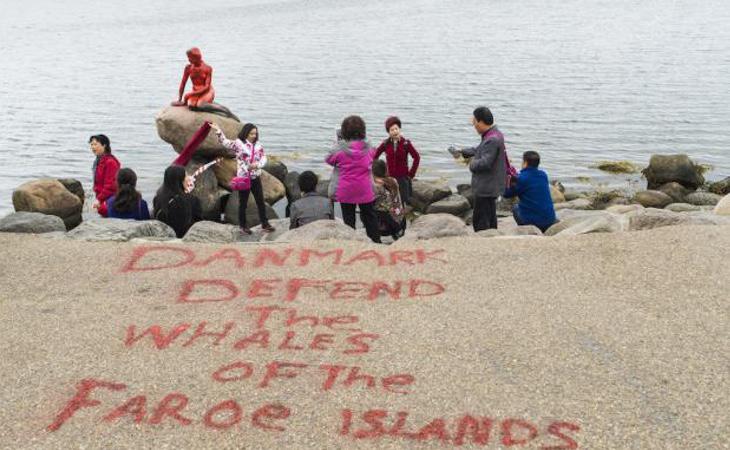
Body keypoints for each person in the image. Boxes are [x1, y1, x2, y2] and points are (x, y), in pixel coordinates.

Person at [210, 122, 275, 235]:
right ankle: (243, 226)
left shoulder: (258, 145)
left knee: (260, 201)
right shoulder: (238, 144)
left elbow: (264, 158)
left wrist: (258, 165)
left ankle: (265, 224)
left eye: (255, 133)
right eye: (251, 134)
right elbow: (225, 143)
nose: (254, 136)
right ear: (246, 133)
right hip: (243, 178)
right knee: (243, 203)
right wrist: (218, 130)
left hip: (255, 177)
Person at [325, 115, 381, 243]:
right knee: (370, 217)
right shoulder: (369, 148)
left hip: (346, 191)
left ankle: (351, 244)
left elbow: (328, 159)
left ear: (344, 132)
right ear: (363, 131)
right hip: (365, 190)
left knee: (348, 219)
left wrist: (339, 143)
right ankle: (376, 242)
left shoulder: (340, 150)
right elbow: (375, 155)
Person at [451, 107, 506, 231]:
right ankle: (492, 239)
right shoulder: (494, 134)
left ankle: (483, 243)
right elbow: (479, 149)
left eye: (474, 121)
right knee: (490, 216)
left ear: (481, 122)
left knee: (481, 220)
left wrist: (470, 163)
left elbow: (485, 163)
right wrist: (463, 152)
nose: (473, 125)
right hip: (490, 186)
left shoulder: (491, 139)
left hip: (486, 187)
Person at [503, 151, 557, 232]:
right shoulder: (543, 175)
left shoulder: (521, 178)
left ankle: (526, 230)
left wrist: (507, 179)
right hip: (550, 220)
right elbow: (528, 180)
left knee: (516, 208)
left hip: (533, 222)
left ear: (525, 163)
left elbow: (506, 194)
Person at [374, 116, 420, 207]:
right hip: (389, 178)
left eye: (396, 129)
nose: (395, 131)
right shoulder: (385, 144)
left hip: (403, 178)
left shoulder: (406, 143)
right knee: (391, 202)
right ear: (388, 132)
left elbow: (416, 157)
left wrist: (411, 174)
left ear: (399, 129)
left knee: (402, 202)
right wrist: (377, 175)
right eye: (392, 130)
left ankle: (401, 220)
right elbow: (374, 157)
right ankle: (391, 220)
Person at [153, 165, 202, 238]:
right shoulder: (192, 200)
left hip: (163, 238)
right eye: (185, 176)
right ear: (180, 180)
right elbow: (199, 224)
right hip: (185, 240)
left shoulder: (158, 198)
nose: (188, 178)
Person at [372, 159, 404, 240]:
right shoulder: (393, 180)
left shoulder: (376, 185)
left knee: (366, 208)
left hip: (386, 228)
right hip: (400, 222)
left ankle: (374, 235)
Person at [89, 134, 121, 217]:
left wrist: (99, 199)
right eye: (91, 144)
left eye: (95, 144)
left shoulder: (110, 162)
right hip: (102, 198)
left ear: (104, 145)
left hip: (110, 199)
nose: (92, 147)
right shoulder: (98, 161)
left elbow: (111, 186)